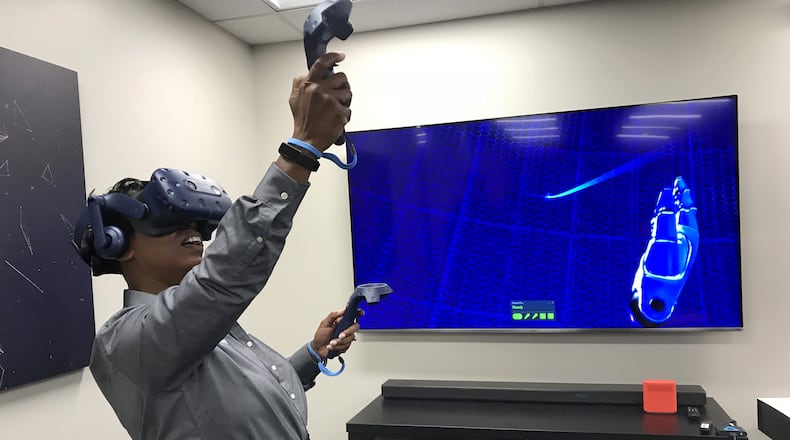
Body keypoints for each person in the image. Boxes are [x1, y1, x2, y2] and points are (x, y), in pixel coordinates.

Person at [78, 52, 356, 440]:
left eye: (195, 222)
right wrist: (302, 148)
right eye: (168, 221)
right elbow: (223, 280)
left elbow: (243, 409)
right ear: (120, 244)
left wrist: (312, 354)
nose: (191, 230)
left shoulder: (206, 330)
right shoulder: (127, 343)